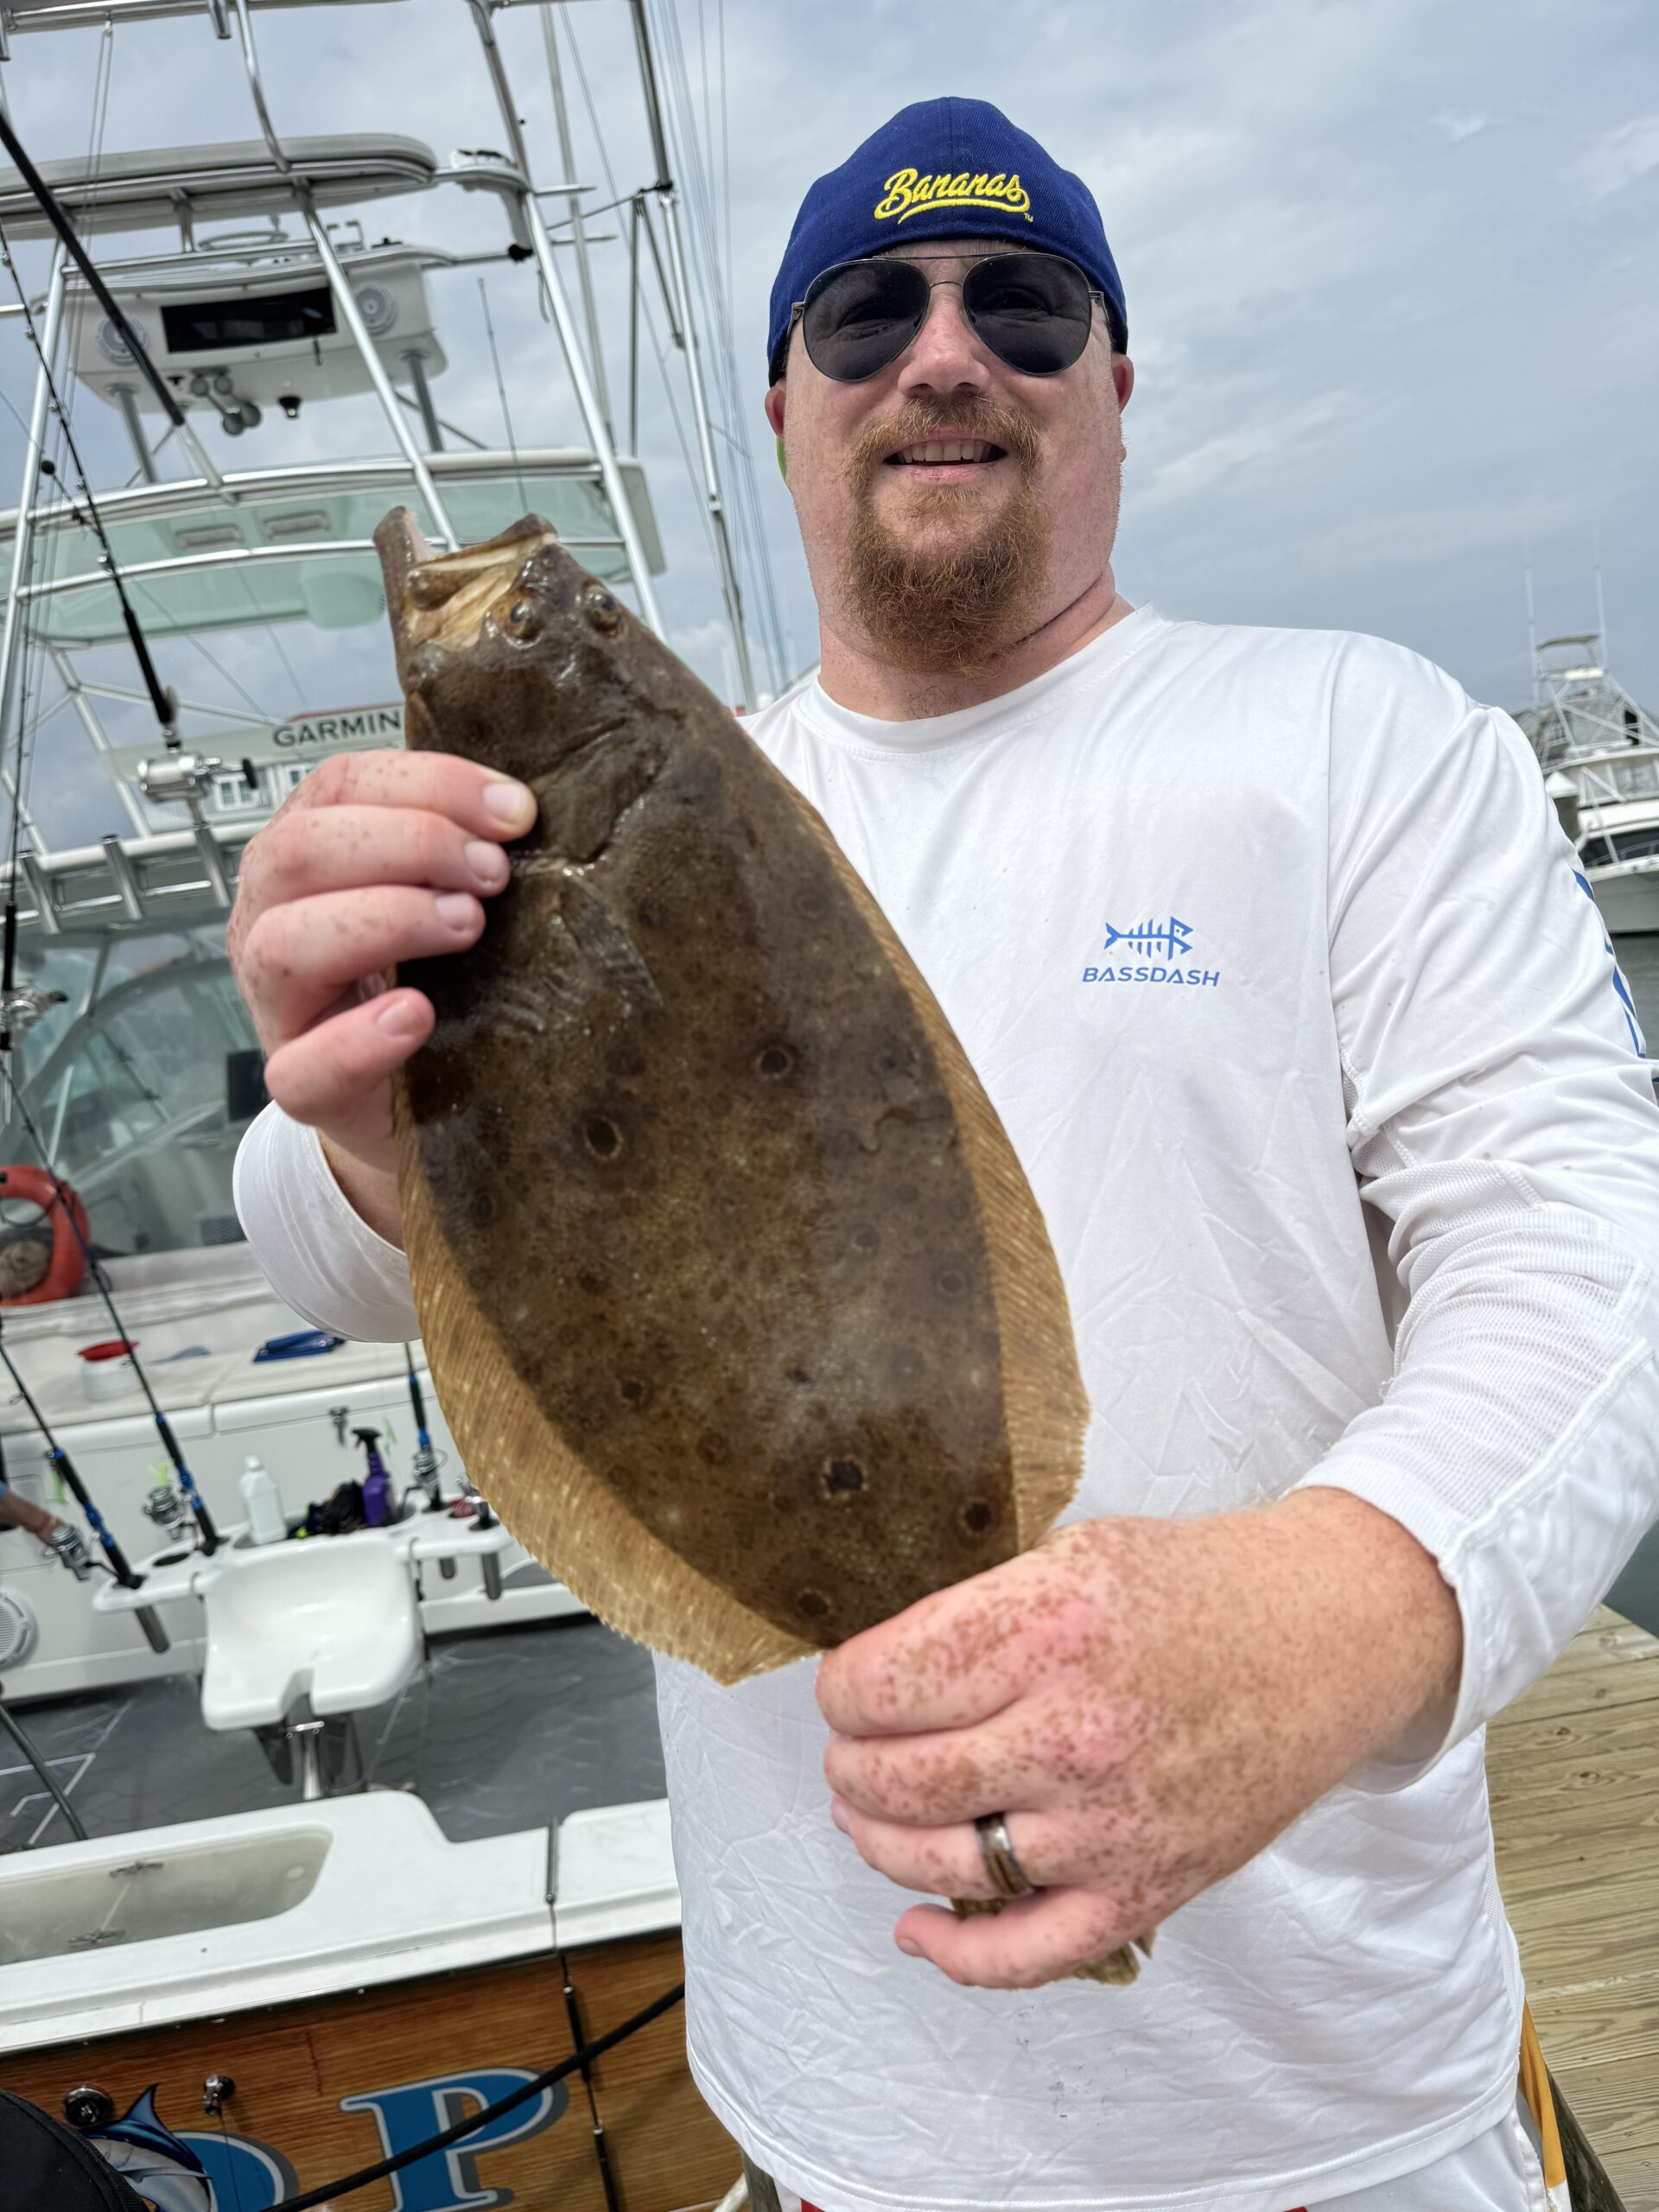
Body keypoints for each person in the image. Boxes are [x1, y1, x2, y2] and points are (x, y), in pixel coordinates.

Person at [228, 98, 1659, 2212]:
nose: (946, 352)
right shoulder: (597, 829)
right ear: (785, 404)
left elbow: (1588, 1241)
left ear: (1116, 383)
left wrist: (1319, 1618)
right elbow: (327, 1253)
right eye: (869, 311)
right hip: (842, 2130)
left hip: (1338, 2124)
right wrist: (361, 1121)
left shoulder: (1357, 737)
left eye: (1026, 305)